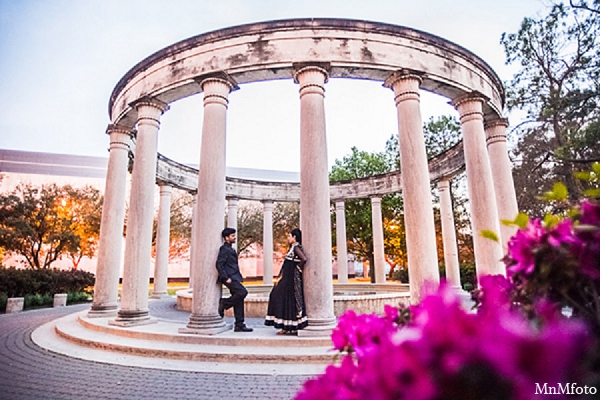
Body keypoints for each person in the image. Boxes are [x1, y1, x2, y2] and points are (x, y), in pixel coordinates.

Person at [265, 228, 308, 335]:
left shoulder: (296, 247)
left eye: (290, 236)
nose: (288, 238)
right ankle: (286, 326)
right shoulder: (293, 248)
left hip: (290, 279)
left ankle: (287, 326)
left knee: (282, 297)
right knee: (282, 298)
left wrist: (298, 269)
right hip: (287, 278)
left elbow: (304, 259)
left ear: (294, 237)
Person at [216, 227, 253, 332]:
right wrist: (225, 278)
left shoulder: (230, 249)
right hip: (230, 278)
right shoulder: (224, 249)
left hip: (235, 277)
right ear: (226, 238)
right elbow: (219, 264)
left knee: (239, 300)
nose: (234, 237)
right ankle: (224, 303)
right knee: (242, 292)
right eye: (232, 236)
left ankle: (239, 324)